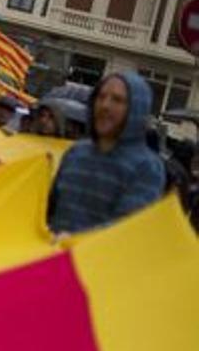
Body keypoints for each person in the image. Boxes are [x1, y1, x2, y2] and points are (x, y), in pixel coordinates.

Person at [48, 71, 165, 235]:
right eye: (101, 97)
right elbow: (48, 210)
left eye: (117, 100)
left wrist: (74, 242)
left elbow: (125, 230)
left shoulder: (147, 168)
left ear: (136, 109)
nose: (105, 105)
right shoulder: (76, 153)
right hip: (55, 257)